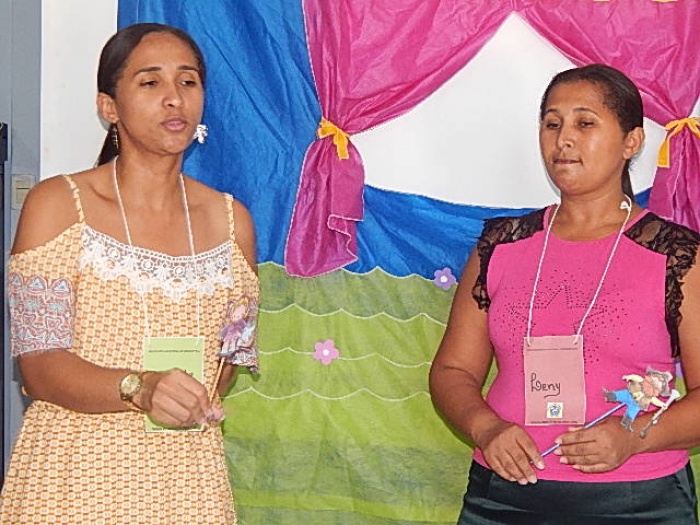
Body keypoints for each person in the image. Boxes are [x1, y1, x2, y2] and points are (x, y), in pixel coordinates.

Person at [0, 23, 258, 525]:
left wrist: (188, 399)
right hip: (73, 479)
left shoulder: (232, 222)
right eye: (150, 82)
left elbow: (228, 360)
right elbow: (39, 366)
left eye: (188, 81)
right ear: (109, 106)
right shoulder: (58, 206)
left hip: (188, 483)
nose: (174, 98)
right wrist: (139, 387)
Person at [429, 64, 700, 524]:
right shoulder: (501, 244)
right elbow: (452, 370)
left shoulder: (677, 254)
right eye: (552, 124)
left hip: (640, 500)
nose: (564, 139)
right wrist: (486, 427)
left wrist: (635, 437)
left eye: (585, 123)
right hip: (504, 495)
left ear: (631, 142)